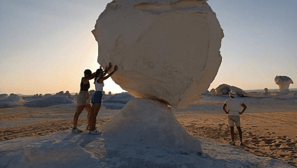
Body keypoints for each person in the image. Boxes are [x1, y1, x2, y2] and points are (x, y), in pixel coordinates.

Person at [89, 63, 118, 134]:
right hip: (98, 95)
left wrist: (108, 69)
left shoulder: (97, 78)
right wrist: (114, 70)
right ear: (98, 74)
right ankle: (92, 130)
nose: (102, 73)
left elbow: (104, 74)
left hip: (96, 95)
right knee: (94, 114)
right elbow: (107, 76)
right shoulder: (100, 78)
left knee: (93, 114)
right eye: (101, 72)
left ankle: (91, 128)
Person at [72, 69, 96, 133]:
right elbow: (91, 77)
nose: (89, 75)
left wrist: (97, 72)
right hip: (82, 96)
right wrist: (96, 73)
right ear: (85, 74)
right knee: (78, 112)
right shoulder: (84, 79)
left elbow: (91, 76)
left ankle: (88, 125)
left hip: (86, 96)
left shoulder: (87, 78)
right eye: (89, 74)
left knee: (90, 111)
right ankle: (74, 128)